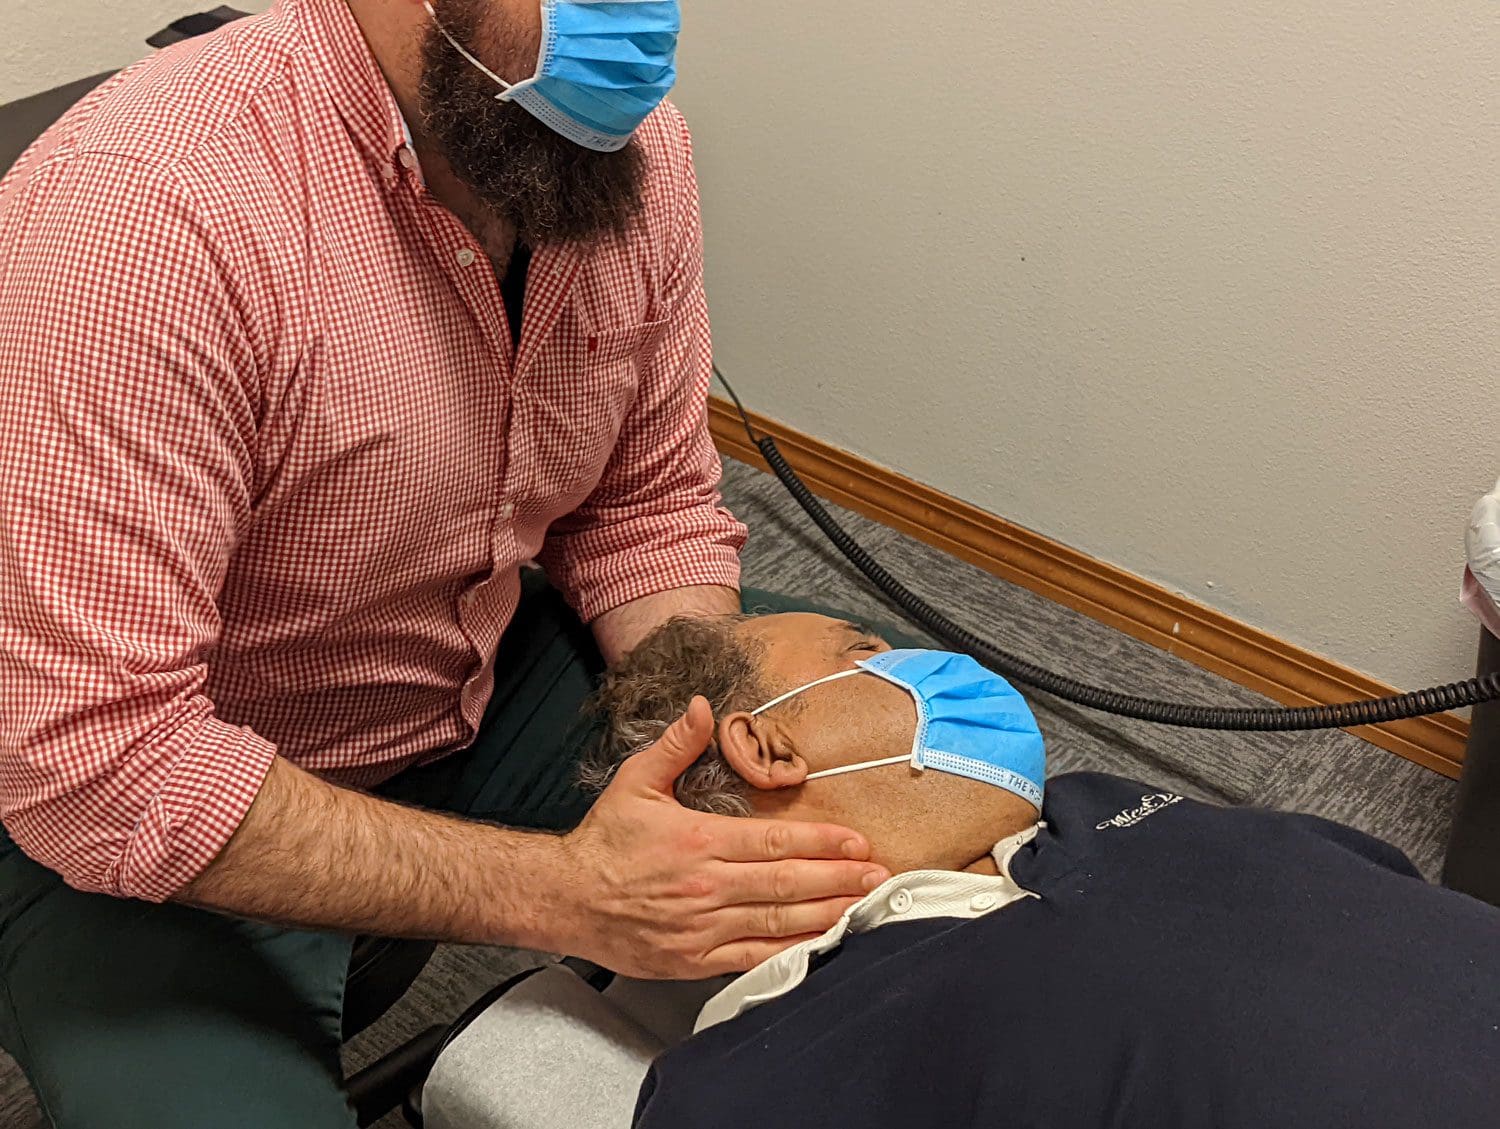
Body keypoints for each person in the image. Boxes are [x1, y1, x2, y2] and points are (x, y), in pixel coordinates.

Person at [0, 2, 888, 1125]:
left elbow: (641, 506)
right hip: (134, 799)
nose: (638, 28)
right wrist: (574, 896)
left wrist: (710, 744)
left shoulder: (629, 147)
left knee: (887, 781)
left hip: (465, 672)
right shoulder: (147, 214)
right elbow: (100, 762)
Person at [581, 612, 1500, 1129]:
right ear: (769, 744)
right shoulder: (748, 1077)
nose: (931, 663)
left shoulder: (1099, 801)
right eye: (863, 648)